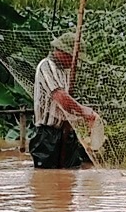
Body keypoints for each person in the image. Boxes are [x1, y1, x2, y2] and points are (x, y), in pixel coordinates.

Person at [30, 32, 97, 169]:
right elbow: (61, 97)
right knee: (47, 179)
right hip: (48, 135)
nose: (74, 61)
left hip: (66, 132)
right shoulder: (47, 66)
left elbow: (66, 106)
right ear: (62, 52)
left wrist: (82, 119)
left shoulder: (65, 71)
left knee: (70, 175)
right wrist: (83, 111)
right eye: (73, 57)